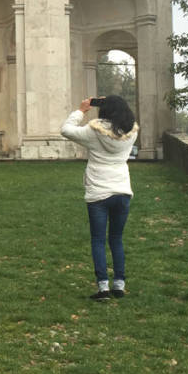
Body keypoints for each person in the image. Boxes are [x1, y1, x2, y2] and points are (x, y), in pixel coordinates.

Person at [60, 95, 139, 301]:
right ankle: (119, 284)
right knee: (116, 239)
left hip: (98, 191)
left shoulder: (93, 131)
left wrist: (81, 110)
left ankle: (103, 287)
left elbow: (66, 130)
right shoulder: (131, 132)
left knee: (98, 239)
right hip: (122, 189)